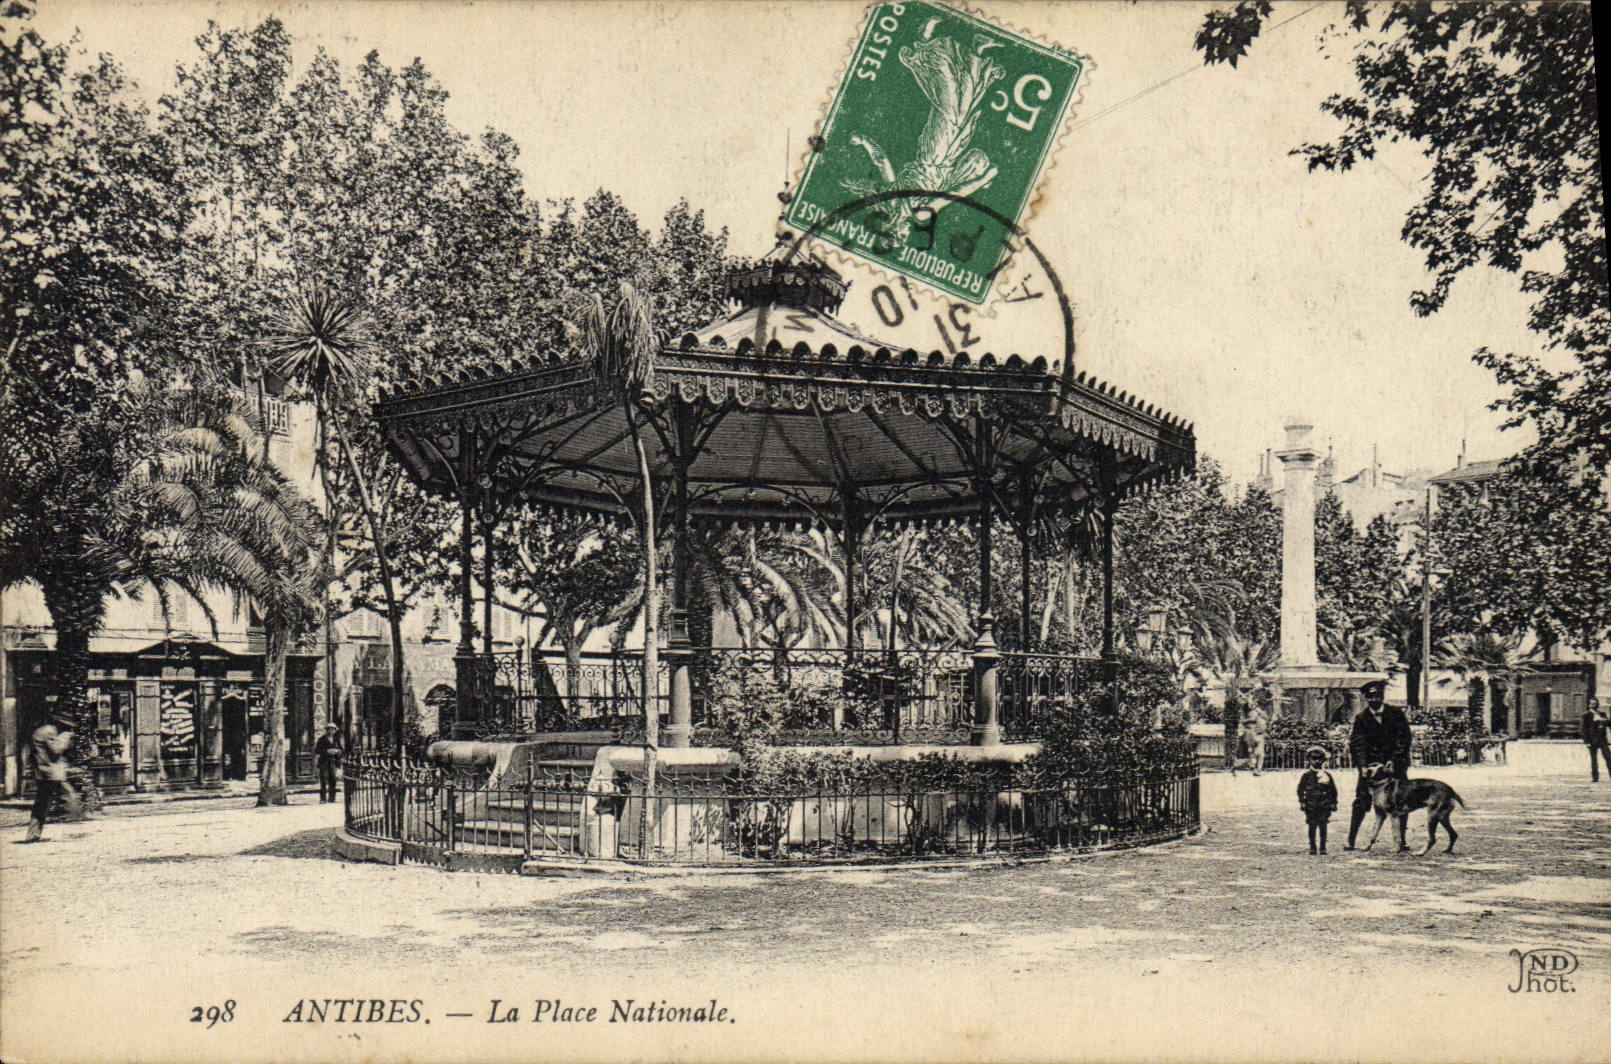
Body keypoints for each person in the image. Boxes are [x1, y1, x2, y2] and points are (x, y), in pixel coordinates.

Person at [1344, 679, 1412, 850]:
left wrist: (1394, 760)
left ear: (1383, 696)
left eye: (1378, 696)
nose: (1375, 700)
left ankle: (1401, 841)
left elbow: (1404, 739)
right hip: (1371, 769)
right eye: (1371, 697)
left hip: (1395, 767)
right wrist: (1362, 766)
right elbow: (1357, 744)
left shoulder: (1396, 713)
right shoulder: (1362, 718)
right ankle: (1351, 840)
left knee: (1399, 800)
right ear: (1366, 698)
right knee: (1361, 800)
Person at [22, 712, 76, 843]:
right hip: (50, 772)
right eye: (66, 726)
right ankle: (73, 820)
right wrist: (66, 739)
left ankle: (33, 834)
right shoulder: (49, 732)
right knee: (70, 796)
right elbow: (56, 750)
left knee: (42, 803)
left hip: (45, 771)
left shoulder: (43, 731)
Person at [1297, 745, 1339, 855]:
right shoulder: (1306, 776)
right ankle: (1312, 846)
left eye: (1319, 759)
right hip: (1311, 804)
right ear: (1309, 760)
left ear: (1323, 760)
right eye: (1314, 759)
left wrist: (1334, 803)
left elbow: (1333, 790)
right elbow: (1300, 790)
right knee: (1312, 825)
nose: (1317, 761)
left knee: (1323, 825)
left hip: (1324, 804)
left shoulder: (1327, 775)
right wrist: (1302, 802)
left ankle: (1323, 846)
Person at [314, 723, 344, 804]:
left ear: (335, 731)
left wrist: (337, 751)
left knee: (333, 780)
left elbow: (341, 750)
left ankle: (332, 798)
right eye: (329, 729)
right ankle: (323, 798)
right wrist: (326, 751)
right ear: (326, 730)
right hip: (324, 761)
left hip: (334, 762)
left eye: (333, 730)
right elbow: (317, 751)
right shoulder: (321, 739)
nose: (331, 731)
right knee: (324, 780)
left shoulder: (336, 739)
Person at [1581, 698, 1610, 782]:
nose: (1594, 706)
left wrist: (1605, 720)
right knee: (1594, 759)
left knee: (1608, 757)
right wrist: (1587, 741)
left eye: (1595, 704)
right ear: (1589, 705)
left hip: (1602, 739)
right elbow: (1584, 729)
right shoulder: (1586, 715)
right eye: (1592, 704)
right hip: (1592, 740)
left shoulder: (1602, 714)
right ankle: (1595, 777)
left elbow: (1609, 725)